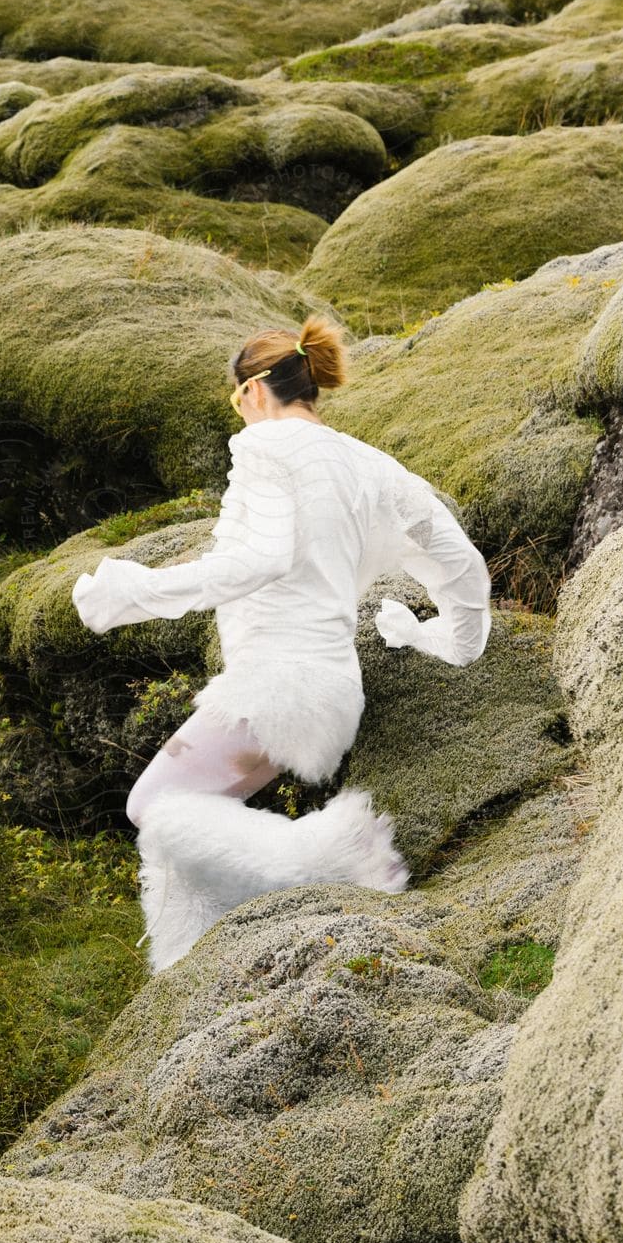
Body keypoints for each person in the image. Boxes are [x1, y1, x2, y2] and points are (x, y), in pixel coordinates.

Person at [70, 313, 492, 972]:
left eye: (237, 401)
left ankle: (334, 855)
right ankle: (188, 960)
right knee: (190, 820)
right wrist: (451, 640)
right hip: (326, 694)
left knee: (151, 805)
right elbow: (462, 565)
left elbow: (257, 560)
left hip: (275, 685)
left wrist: (132, 593)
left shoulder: (267, 449)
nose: (240, 417)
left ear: (255, 392)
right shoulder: (372, 466)